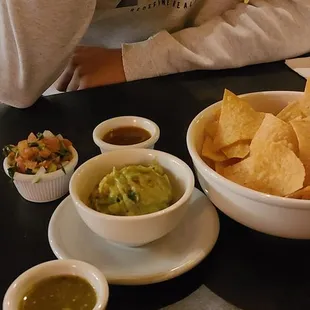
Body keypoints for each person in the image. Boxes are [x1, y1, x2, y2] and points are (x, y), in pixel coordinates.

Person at [1, 0, 310, 108]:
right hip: (69, 94)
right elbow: (15, 82)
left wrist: (143, 60)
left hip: (209, 76)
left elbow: (299, 14)